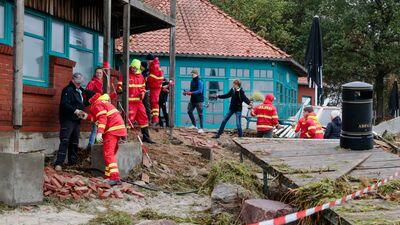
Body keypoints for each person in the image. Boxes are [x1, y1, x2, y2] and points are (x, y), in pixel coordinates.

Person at [80, 92, 127, 186]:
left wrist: (100, 133)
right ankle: (108, 176)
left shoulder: (97, 104)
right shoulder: (103, 103)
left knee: (108, 154)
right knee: (110, 153)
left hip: (112, 129)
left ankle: (115, 178)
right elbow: (97, 118)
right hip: (117, 128)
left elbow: (102, 118)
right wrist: (85, 116)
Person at [117, 59, 155, 144]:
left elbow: (143, 87)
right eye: (133, 67)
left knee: (144, 118)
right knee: (128, 120)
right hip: (129, 102)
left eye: (135, 68)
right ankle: (123, 138)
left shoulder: (140, 76)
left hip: (138, 102)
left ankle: (146, 137)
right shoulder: (125, 75)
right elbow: (119, 85)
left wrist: (142, 92)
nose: (134, 69)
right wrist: (119, 89)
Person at [55, 73, 87, 171]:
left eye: (80, 83)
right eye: (77, 83)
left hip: (76, 120)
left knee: (74, 142)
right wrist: (76, 110)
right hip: (68, 119)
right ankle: (59, 163)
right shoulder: (68, 90)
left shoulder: (80, 91)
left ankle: (72, 163)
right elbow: (64, 104)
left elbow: (82, 102)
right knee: (65, 140)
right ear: (73, 80)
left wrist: (82, 112)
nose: (79, 84)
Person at [85, 67, 103, 150]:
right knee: (95, 128)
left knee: (102, 127)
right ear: (95, 73)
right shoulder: (92, 82)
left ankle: (97, 145)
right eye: (97, 72)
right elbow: (87, 94)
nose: (99, 74)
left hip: (103, 107)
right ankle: (91, 146)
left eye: (100, 73)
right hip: (96, 107)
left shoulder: (104, 82)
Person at [146, 53, 164, 125]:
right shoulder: (155, 65)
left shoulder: (154, 66)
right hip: (155, 87)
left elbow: (153, 78)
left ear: (150, 60)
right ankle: (154, 119)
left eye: (148, 61)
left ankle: (155, 120)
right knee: (153, 102)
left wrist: (147, 78)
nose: (147, 62)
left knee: (154, 102)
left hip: (155, 87)